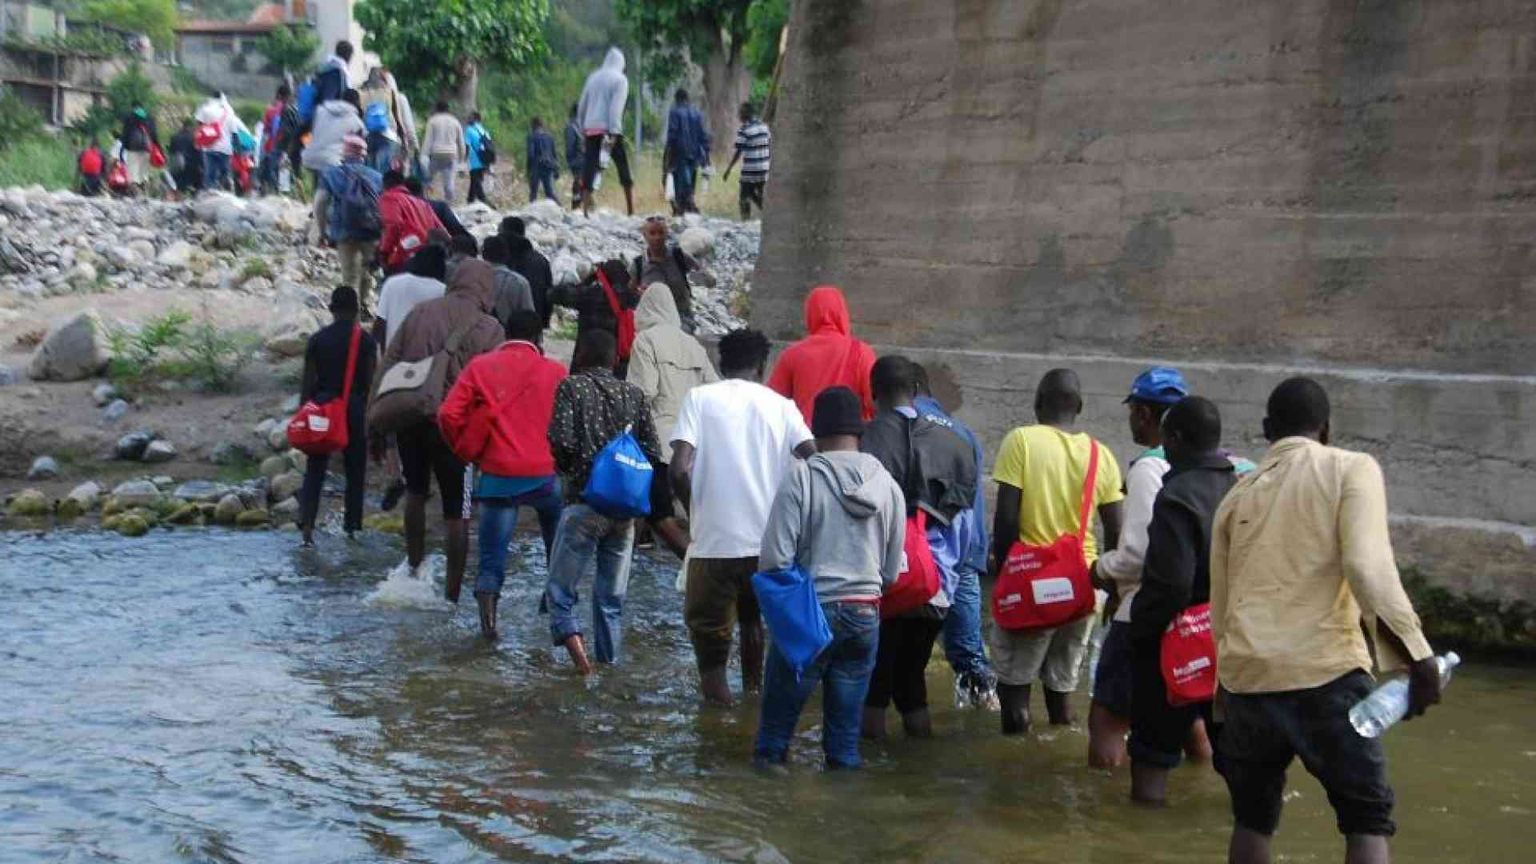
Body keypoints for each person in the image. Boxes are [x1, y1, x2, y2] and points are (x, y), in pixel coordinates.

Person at [1210, 378, 1441, 864]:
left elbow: (1222, 605)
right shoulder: (1351, 468)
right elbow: (1367, 566)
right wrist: (1416, 657)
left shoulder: (1237, 495)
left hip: (1247, 679)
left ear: (1268, 431)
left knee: (1252, 820)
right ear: (1327, 429)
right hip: (1326, 673)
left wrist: (1221, 694)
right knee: (1366, 822)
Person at [753, 386, 906, 771]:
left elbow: (774, 561)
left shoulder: (801, 478)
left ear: (815, 430)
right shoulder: (888, 485)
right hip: (865, 618)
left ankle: (767, 818)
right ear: (860, 431)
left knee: (773, 743)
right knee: (843, 746)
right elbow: (891, 572)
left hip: (810, 614)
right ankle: (842, 818)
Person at [669, 329, 810, 705]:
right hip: (768, 546)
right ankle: (752, 702)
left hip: (713, 545)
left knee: (710, 642)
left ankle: (719, 721)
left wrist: (697, 510)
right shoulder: (783, 406)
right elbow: (815, 460)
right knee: (753, 623)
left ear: (719, 363)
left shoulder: (699, 399)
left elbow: (679, 470)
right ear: (763, 366)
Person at [989, 368, 1125, 733]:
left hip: (1031, 586)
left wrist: (1003, 579)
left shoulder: (1020, 441)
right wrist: (1112, 590)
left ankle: (1015, 774)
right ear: (1079, 406)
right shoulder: (1102, 455)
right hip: (1083, 586)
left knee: (1015, 692)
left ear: (1037, 403)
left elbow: (1005, 520)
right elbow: (1116, 528)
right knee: (1062, 692)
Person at [859, 355, 979, 739]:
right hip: (935, 587)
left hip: (882, 585)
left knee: (873, 686)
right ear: (915, 391)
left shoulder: (865, 440)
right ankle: (919, 760)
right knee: (912, 684)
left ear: (873, 393)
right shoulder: (957, 443)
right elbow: (965, 529)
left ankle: (867, 774)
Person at [1125, 396, 1235, 805]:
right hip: (1230, 645)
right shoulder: (1240, 489)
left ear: (1177, 438)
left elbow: (1171, 584)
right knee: (1236, 759)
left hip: (1175, 645)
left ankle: (1140, 838)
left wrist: (1142, 629)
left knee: (1152, 757)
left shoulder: (1177, 495)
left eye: (1167, 438)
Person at [377, 259, 504, 603]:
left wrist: (378, 420)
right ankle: (451, 595)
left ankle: (414, 570)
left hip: (411, 415)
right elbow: (493, 386)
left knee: (416, 493)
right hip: (455, 427)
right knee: (458, 510)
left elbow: (389, 363)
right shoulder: (490, 327)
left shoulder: (420, 312)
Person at [440, 310, 568, 639]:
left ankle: (489, 626)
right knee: (557, 541)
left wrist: (467, 448)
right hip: (545, 474)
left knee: (491, 557)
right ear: (538, 337)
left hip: (498, 475)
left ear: (504, 334)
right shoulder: (555, 371)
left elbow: (448, 414)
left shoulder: (480, 367)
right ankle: (553, 607)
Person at [1087, 366, 1191, 768]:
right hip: (1194, 617)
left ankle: (1100, 807)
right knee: (1189, 716)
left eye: (1133, 412)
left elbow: (1136, 554)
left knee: (1106, 720)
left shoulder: (1150, 468)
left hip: (1143, 613)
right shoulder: (1212, 466)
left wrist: (1100, 569)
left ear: (1145, 415)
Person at [545, 329, 662, 672]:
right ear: (615, 360)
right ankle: (608, 665)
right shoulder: (635, 395)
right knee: (610, 599)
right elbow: (653, 452)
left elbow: (560, 440)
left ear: (579, 356)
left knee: (560, 594)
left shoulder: (572, 387)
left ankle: (583, 667)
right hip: (624, 513)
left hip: (583, 503)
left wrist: (575, 473)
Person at [911, 365, 997, 711]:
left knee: (900, 656)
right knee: (969, 657)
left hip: (918, 557)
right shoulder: (964, 433)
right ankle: (990, 710)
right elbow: (972, 503)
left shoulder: (903, 425)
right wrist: (976, 558)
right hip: (962, 561)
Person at [296, 286, 377, 545]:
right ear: (355, 311)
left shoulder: (317, 340)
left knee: (315, 469)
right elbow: (369, 382)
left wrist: (304, 415)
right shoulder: (364, 341)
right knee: (355, 472)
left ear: (332, 310)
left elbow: (307, 384)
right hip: (352, 409)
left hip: (321, 408)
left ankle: (307, 527)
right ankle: (352, 530)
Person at [767, 285, 876, 423]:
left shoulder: (792, 354)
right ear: (842, 313)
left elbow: (772, 404)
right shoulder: (862, 352)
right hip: (847, 438)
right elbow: (874, 403)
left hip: (804, 438)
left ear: (810, 314)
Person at [318, 135, 383, 311]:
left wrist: (322, 231)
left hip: (344, 230)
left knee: (349, 276)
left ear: (344, 153)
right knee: (368, 270)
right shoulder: (377, 176)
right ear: (363, 155)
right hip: (371, 231)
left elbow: (320, 202)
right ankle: (366, 305)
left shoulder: (331, 174)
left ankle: (351, 322)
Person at [577, 47, 634, 216]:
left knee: (590, 166)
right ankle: (631, 209)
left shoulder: (593, 77)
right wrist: (614, 132)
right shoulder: (620, 80)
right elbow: (616, 108)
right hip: (609, 129)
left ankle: (586, 209)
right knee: (622, 166)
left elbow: (582, 106)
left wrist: (582, 129)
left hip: (591, 129)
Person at [548, 259, 640, 357]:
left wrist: (589, 279)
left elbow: (552, 294)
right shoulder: (632, 298)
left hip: (586, 354)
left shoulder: (589, 294)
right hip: (616, 357)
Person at [374, 243, 446, 350]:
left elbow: (380, 324)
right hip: (426, 358)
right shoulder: (443, 290)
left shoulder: (392, 283)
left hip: (393, 355)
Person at [633, 217, 698, 333]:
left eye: (661, 233)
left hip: (682, 317)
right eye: (652, 233)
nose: (657, 237)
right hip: (652, 320)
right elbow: (628, 294)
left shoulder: (679, 256)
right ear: (644, 235)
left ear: (667, 234)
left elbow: (702, 274)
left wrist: (702, 277)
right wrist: (639, 294)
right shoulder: (638, 264)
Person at [377, 169, 445, 275]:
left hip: (403, 257)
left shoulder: (389, 198)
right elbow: (440, 230)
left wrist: (384, 253)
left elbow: (393, 225)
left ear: (386, 184)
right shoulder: (422, 203)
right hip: (428, 257)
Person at [498, 217, 554, 328]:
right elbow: (548, 295)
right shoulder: (540, 260)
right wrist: (543, 323)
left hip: (508, 326)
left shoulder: (504, 260)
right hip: (533, 325)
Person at [663, 89, 710, 216]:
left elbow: (672, 133)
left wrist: (668, 153)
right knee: (690, 178)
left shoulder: (675, 111)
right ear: (687, 98)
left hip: (680, 152)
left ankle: (682, 207)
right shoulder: (697, 113)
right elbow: (703, 136)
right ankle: (688, 205)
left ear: (676, 99)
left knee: (680, 181)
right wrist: (707, 158)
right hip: (695, 153)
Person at [722, 102, 771, 221]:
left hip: (751, 169)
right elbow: (769, 143)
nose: (739, 115)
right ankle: (768, 215)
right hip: (764, 168)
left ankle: (745, 220)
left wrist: (728, 169)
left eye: (740, 113)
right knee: (759, 193)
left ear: (745, 114)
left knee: (744, 195)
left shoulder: (745, 129)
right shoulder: (764, 127)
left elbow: (738, 151)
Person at [195, 91, 250, 192]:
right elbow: (234, 134)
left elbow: (199, 127)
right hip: (225, 149)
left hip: (208, 147)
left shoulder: (205, 109)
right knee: (225, 173)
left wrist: (199, 142)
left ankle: (209, 193)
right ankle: (225, 192)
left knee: (209, 173)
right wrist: (239, 152)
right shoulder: (229, 112)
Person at [481, 235, 536, 331]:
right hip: (508, 338)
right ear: (506, 255)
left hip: (475, 339)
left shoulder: (471, 277)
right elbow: (529, 319)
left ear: (483, 254)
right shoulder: (519, 282)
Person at [358, 66, 406, 174]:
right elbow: (397, 116)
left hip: (367, 135)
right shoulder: (389, 92)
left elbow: (359, 115)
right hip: (388, 135)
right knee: (384, 171)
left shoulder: (360, 93)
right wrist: (403, 138)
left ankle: (371, 189)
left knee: (369, 171)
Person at [424, 102, 465, 202]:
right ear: (448, 110)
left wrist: (423, 155)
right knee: (449, 182)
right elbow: (461, 143)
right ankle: (449, 203)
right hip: (451, 155)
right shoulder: (455, 122)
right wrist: (462, 161)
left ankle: (426, 200)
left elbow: (428, 140)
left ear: (436, 109)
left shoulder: (432, 121)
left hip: (436, 154)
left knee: (427, 178)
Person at [118, 105, 158, 194]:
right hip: (146, 148)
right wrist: (158, 148)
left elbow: (125, 136)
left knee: (132, 171)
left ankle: (136, 192)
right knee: (143, 172)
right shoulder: (149, 120)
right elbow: (154, 136)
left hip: (133, 148)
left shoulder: (130, 120)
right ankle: (145, 190)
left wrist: (121, 152)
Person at [525, 117, 559, 203]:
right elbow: (554, 154)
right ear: (542, 125)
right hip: (549, 166)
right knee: (550, 193)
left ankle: (531, 211)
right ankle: (560, 209)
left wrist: (528, 170)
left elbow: (530, 155)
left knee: (533, 193)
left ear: (533, 125)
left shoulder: (531, 137)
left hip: (536, 166)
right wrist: (556, 169)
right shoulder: (549, 137)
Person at [313, 41, 353, 107]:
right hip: (330, 113)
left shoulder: (326, 68)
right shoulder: (336, 72)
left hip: (319, 112)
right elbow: (328, 99)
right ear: (348, 55)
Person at [464, 112, 492, 205]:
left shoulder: (469, 130)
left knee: (476, 180)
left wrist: (465, 158)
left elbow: (467, 145)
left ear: (475, 119)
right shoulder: (483, 129)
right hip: (484, 158)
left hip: (475, 159)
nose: (468, 119)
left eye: (470, 118)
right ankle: (470, 199)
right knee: (475, 179)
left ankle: (483, 199)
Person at [169, 119, 201, 196]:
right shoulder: (195, 137)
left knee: (177, 187)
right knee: (197, 187)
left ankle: (176, 202)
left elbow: (171, 152)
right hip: (192, 167)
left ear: (183, 126)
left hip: (178, 166)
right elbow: (199, 152)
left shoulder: (175, 137)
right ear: (192, 127)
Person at [564, 104, 584, 209]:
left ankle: (576, 207)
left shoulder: (571, 126)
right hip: (587, 159)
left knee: (578, 184)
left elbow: (569, 146)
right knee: (584, 184)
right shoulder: (586, 124)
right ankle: (586, 207)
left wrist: (569, 160)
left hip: (577, 160)